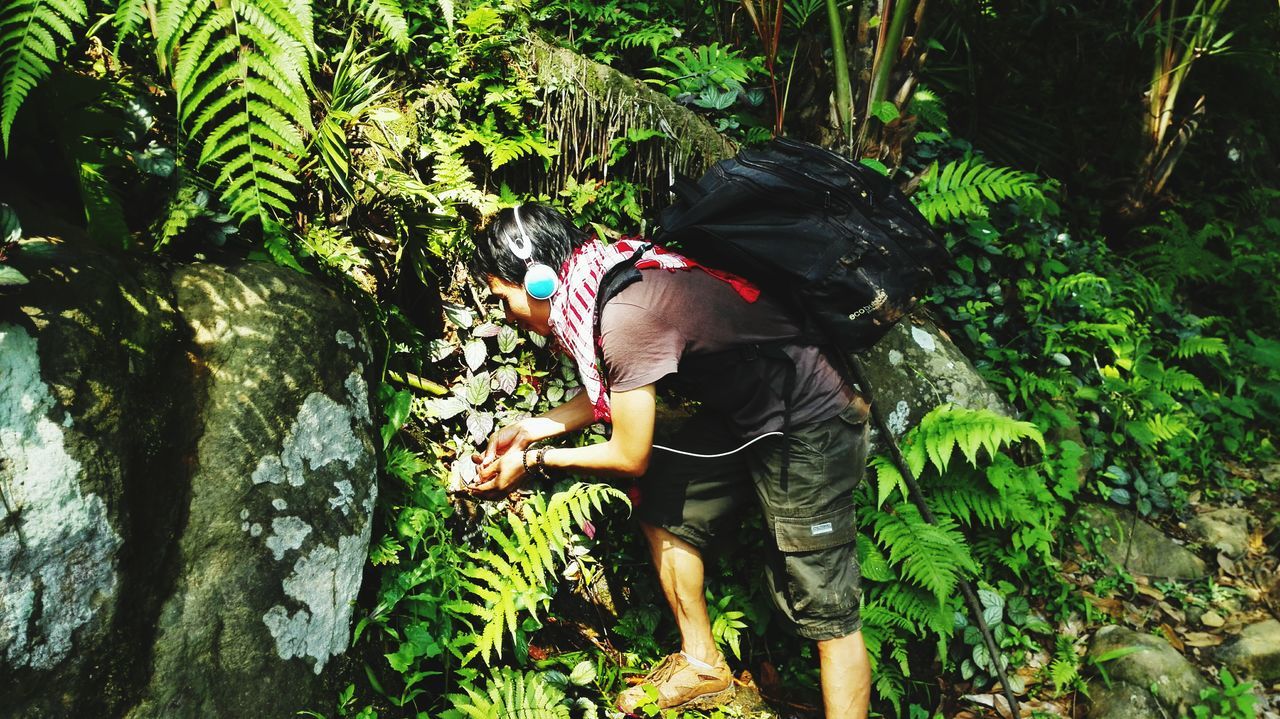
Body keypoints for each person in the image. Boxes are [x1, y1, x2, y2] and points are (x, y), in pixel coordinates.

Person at [468, 203, 873, 718]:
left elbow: (628, 454)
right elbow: (617, 391)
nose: (504, 314)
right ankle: (703, 665)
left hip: (808, 420)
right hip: (746, 415)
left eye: (503, 298)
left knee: (825, 606)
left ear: (540, 281)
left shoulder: (621, 319)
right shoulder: (601, 278)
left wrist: (537, 461)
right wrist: (529, 429)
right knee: (665, 496)